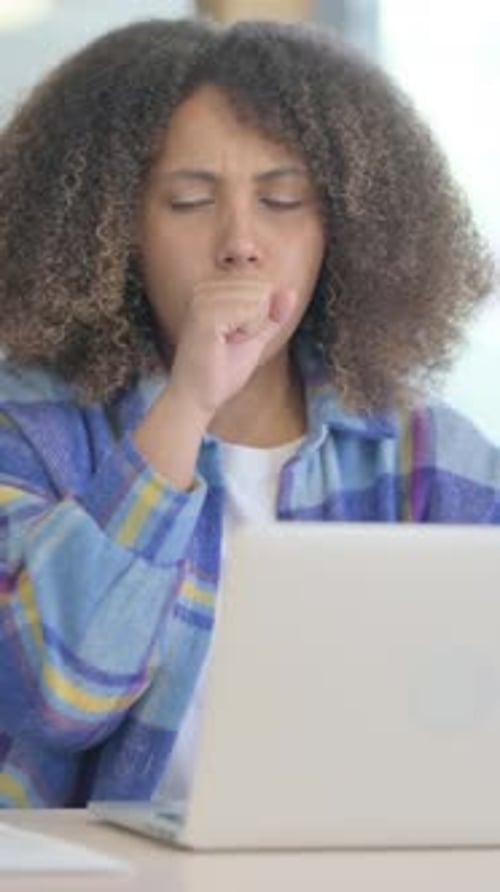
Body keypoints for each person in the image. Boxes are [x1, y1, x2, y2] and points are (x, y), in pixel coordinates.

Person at [0, 16, 498, 809]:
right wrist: (187, 403)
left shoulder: (435, 456)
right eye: (190, 201)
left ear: (344, 230)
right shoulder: (27, 431)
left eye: (284, 199)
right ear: (110, 232)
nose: (240, 243)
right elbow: (58, 695)